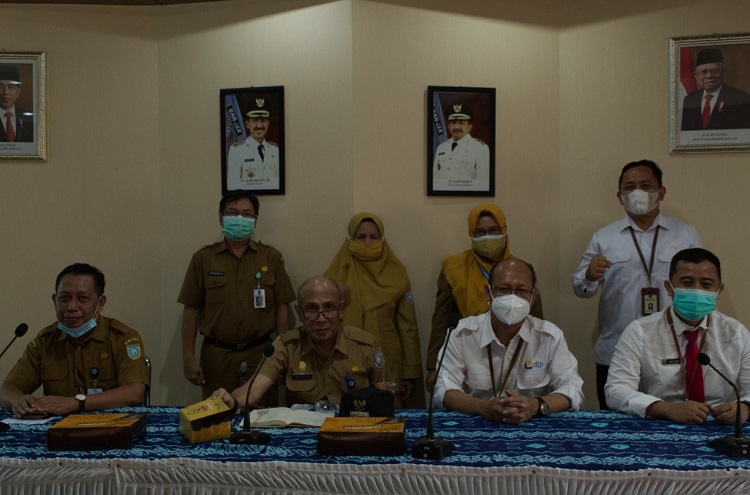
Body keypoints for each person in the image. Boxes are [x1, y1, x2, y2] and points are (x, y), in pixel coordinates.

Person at [572, 160, 701, 410]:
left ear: (661, 192)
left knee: (673, 418)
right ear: (619, 196)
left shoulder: (685, 235)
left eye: (645, 185)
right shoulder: (603, 238)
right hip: (616, 349)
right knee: (615, 422)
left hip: (673, 350)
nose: (637, 192)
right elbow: (581, 289)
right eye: (630, 187)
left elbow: (700, 287)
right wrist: (588, 275)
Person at [605, 248, 750, 425]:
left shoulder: (736, 333)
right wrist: (665, 408)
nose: (696, 290)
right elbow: (615, 390)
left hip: (718, 424)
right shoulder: (639, 332)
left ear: (719, 290)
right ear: (669, 288)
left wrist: (745, 408)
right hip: (660, 421)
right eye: (687, 283)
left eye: (706, 284)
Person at [434, 259, 583, 423]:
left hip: (533, 426)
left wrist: (535, 405)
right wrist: (482, 407)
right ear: (488, 292)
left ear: (533, 296)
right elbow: (443, 389)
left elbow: (572, 389)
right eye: (503, 289)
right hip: (476, 423)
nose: (512, 297)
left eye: (522, 290)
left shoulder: (549, 336)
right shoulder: (461, 334)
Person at [178, 190, 295, 401]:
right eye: (232, 212)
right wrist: (188, 357)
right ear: (221, 217)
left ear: (255, 220)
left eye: (247, 213)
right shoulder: (203, 258)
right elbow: (191, 309)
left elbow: (281, 309)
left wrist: (283, 356)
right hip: (216, 357)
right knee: (217, 414)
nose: (239, 218)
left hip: (261, 356)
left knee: (262, 415)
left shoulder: (272, 257)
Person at [213, 276, 387, 409]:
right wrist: (231, 400)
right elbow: (253, 389)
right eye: (312, 308)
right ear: (299, 313)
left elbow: (384, 399)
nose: (321, 318)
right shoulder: (287, 346)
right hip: (302, 435)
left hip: (353, 431)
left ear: (341, 310)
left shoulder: (365, 346)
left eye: (329, 308)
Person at [0, 263, 148, 417]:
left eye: (83, 298)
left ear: (100, 303)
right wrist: (18, 401)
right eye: (65, 298)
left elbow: (134, 392)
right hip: (57, 427)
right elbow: (7, 389)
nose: (72, 307)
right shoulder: (45, 341)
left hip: (110, 424)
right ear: (54, 300)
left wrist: (77, 402)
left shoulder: (122, 337)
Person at [425, 203, 543, 392]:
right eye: (480, 232)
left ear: (504, 230)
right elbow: (441, 322)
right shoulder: (453, 269)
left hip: (516, 353)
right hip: (469, 354)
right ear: (471, 234)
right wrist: (433, 367)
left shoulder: (522, 270)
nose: (487, 237)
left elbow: (536, 319)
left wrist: (539, 357)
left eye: (494, 231)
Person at [324, 213, 422, 406]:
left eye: (374, 237)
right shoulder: (335, 277)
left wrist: (409, 373)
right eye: (361, 237)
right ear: (350, 239)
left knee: (387, 419)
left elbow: (408, 327)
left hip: (388, 363)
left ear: (381, 239)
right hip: (346, 363)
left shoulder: (397, 273)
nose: (368, 243)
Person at [681, 48, 750, 131]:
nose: (709, 76)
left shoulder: (741, 99)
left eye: (715, 71)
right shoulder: (689, 100)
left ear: (724, 73)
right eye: (704, 72)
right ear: (696, 76)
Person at [226, 99, 280, 190]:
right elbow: (233, 187)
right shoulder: (236, 151)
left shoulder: (275, 150)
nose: (259, 125)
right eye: (254, 120)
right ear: (247, 124)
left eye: (263, 120)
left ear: (268, 123)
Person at [432, 104, 490, 186]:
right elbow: (435, 180)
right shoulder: (441, 147)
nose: (456, 127)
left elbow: (482, 184)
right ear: (448, 126)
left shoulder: (480, 149)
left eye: (461, 123)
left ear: (469, 127)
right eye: (453, 123)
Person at [0, 65, 33, 143]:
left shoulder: (30, 119)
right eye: (0, 87)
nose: (6, 92)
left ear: (18, 92)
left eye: (11, 87)